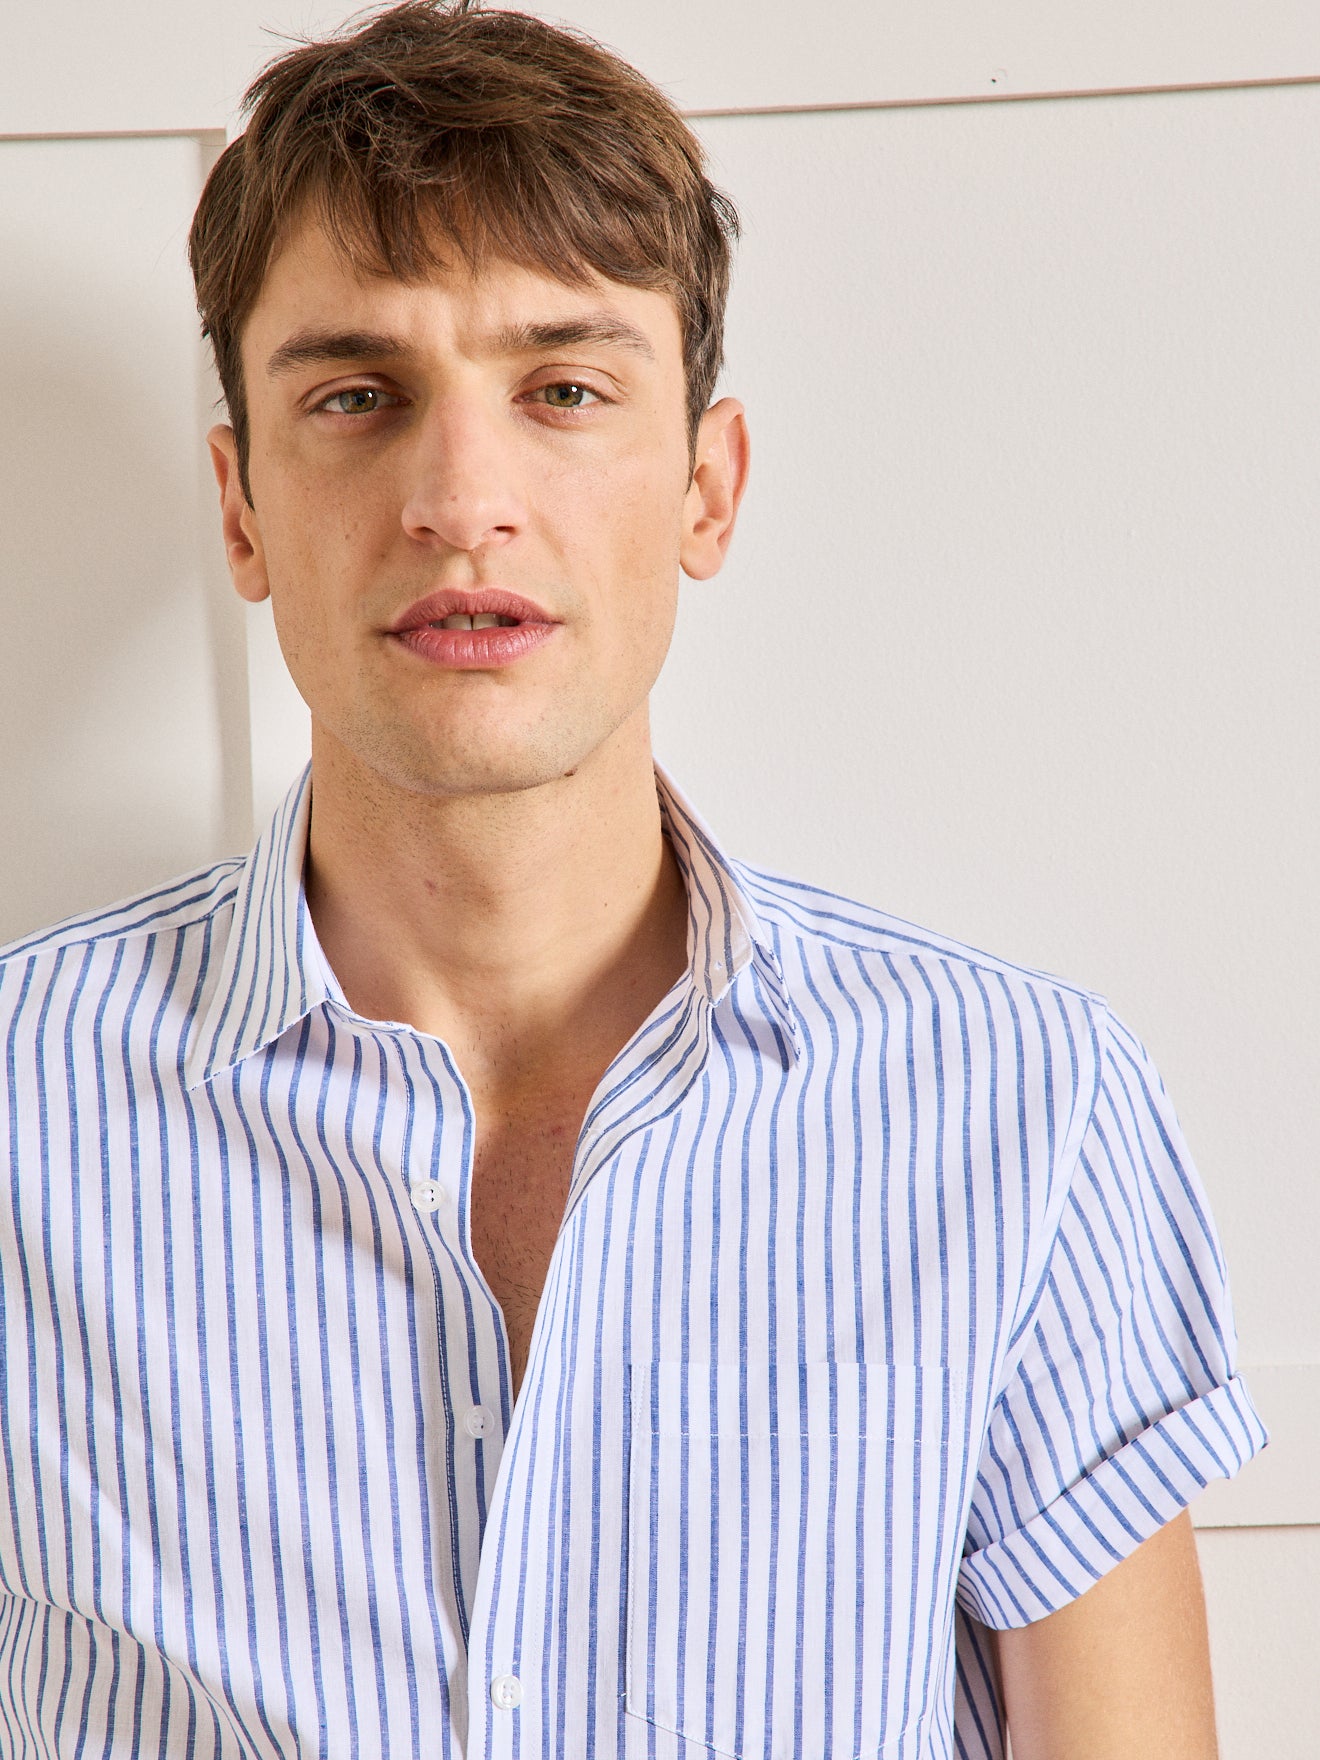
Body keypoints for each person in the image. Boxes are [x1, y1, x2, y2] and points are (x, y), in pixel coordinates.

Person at [0, 3, 1265, 1755]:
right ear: (241, 509)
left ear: (705, 489)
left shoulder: (1021, 1111)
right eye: (357, 395)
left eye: (565, 390)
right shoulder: (19, 1110)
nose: (461, 500)